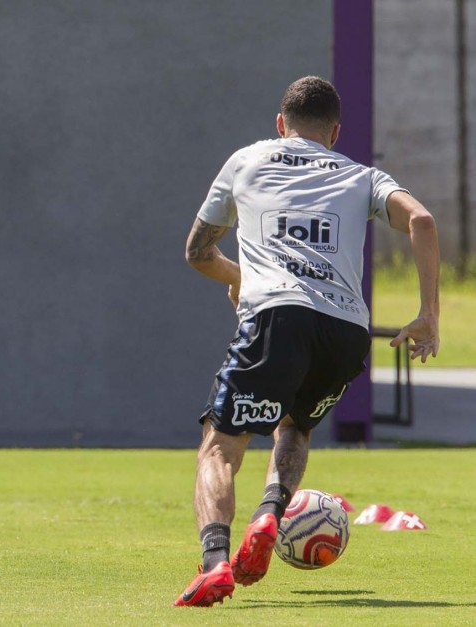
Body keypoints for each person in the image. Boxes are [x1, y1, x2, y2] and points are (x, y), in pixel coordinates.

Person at [174, 76, 440, 606]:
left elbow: (198, 251)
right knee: (294, 426)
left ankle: (214, 563)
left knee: (220, 445)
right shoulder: (362, 176)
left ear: (280, 124)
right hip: (344, 332)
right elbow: (423, 220)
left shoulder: (247, 160)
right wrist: (428, 315)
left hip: (277, 316)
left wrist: (241, 280)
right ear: (335, 132)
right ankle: (270, 514)